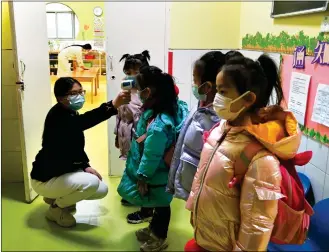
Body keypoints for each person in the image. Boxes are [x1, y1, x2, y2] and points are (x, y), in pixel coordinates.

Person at [185, 55, 301, 251]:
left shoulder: (261, 160)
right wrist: (194, 207)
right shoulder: (220, 130)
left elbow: (257, 224)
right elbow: (203, 175)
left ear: (247, 99)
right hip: (206, 236)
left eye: (222, 91)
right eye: (217, 89)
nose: (216, 97)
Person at [30, 77, 131, 228]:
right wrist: (113, 105)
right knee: (90, 184)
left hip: (61, 172)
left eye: (80, 92)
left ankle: (55, 198)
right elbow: (85, 121)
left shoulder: (69, 113)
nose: (79, 96)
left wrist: (85, 166)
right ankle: (56, 209)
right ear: (60, 97)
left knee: (101, 188)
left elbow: (74, 148)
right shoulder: (58, 117)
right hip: (45, 178)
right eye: (73, 93)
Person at [117, 66, 188, 251]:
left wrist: (143, 176)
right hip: (162, 172)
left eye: (139, 89)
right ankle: (153, 229)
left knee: (161, 205)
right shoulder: (169, 108)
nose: (137, 92)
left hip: (156, 174)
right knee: (158, 204)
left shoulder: (158, 126)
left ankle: (159, 237)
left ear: (147, 92)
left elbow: (151, 155)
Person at [167, 51, 227, 200]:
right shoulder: (200, 106)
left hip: (203, 191)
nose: (194, 85)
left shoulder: (219, 120)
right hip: (190, 185)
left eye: (195, 81)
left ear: (207, 87)